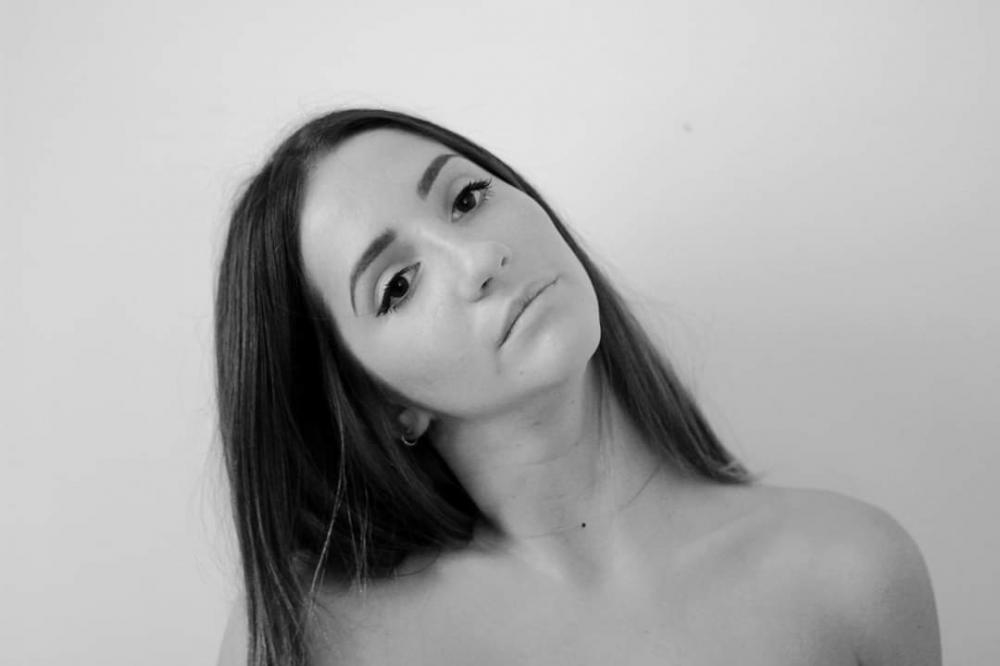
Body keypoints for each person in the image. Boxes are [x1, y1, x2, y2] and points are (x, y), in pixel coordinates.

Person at [215, 108, 940, 666]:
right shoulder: (309, 635)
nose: (479, 258)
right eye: (398, 285)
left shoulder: (851, 573)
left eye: (466, 199)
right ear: (381, 404)